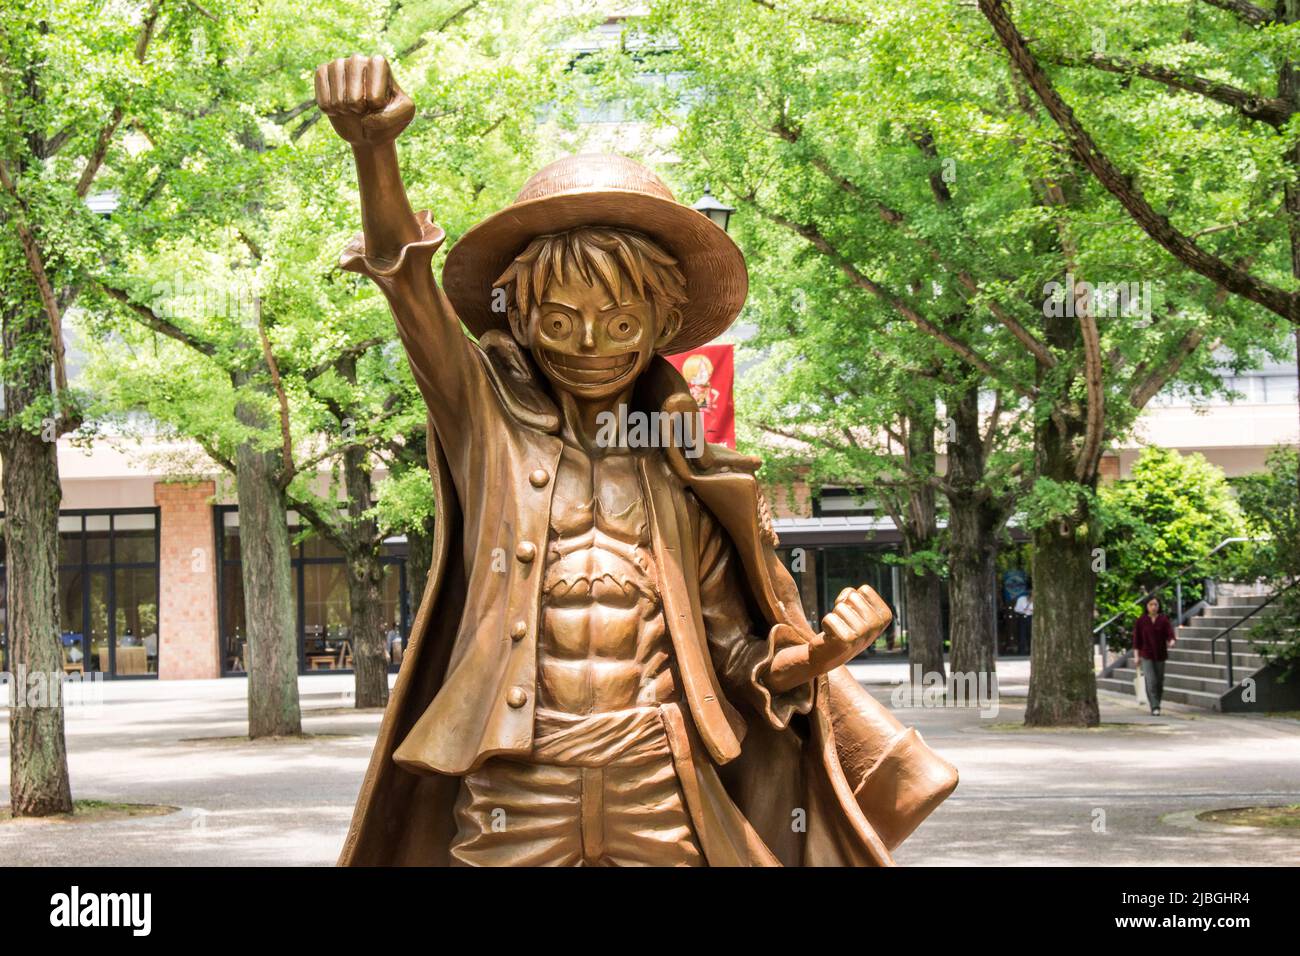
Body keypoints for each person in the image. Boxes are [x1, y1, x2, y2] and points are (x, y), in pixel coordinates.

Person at [318, 54, 957, 867]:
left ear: (659, 326)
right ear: (523, 320)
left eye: (620, 325)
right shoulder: (487, 427)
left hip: (658, 774)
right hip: (519, 774)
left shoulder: (685, 478)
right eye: (560, 321)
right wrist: (374, 151)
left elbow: (735, 654)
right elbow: (410, 290)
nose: (590, 348)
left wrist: (822, 654)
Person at [1132, 597, 1177, 716]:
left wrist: (1171, 641)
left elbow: (1170, 634)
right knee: (1151, 680)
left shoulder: (1163, 619)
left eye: (1156, 604)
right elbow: (1137, 640)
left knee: (1159, 682)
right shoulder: (1141, 621)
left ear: (1159, 606)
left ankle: (1157, 702)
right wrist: (1136, 656)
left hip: (1161, 654)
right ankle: (1155, 706)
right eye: (1151, 604)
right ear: (1146, 606)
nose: (1153, 607)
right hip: (1146, 654)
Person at [1013, 591, 1033, 656]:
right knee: (1022, 634)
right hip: (1022, 617)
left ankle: (1031, 651)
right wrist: (1023, 610)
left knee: (1031, 634)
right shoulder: (1021, 599)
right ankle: (1022, 652)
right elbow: (1016, 609)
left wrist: (1031, 610)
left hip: (1031, 618)